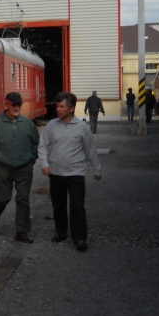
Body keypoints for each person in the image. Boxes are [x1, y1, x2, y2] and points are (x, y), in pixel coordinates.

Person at [39, 92, 102, 251]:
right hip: (56, 173)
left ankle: (79, 238)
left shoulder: (82, 128)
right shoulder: (51, 126)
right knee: (58, 206)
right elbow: (43, 146)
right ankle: (61, 231)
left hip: (75, 173)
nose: (58, 109)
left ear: (72, 108)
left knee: (77, 207)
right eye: (57, 106)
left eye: (62, 106)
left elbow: (90, 149)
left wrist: (97, 169)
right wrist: (45, 163)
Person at [0, 92, 40, 243]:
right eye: (13, 104)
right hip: (2, 167)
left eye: (19, 104)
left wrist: (32, 158)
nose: (17, 107)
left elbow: (37, 143)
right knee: (3, 198)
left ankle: (21, 231)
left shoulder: (28, 124)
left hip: (24, 167)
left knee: (23, 198)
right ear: (5, 104)